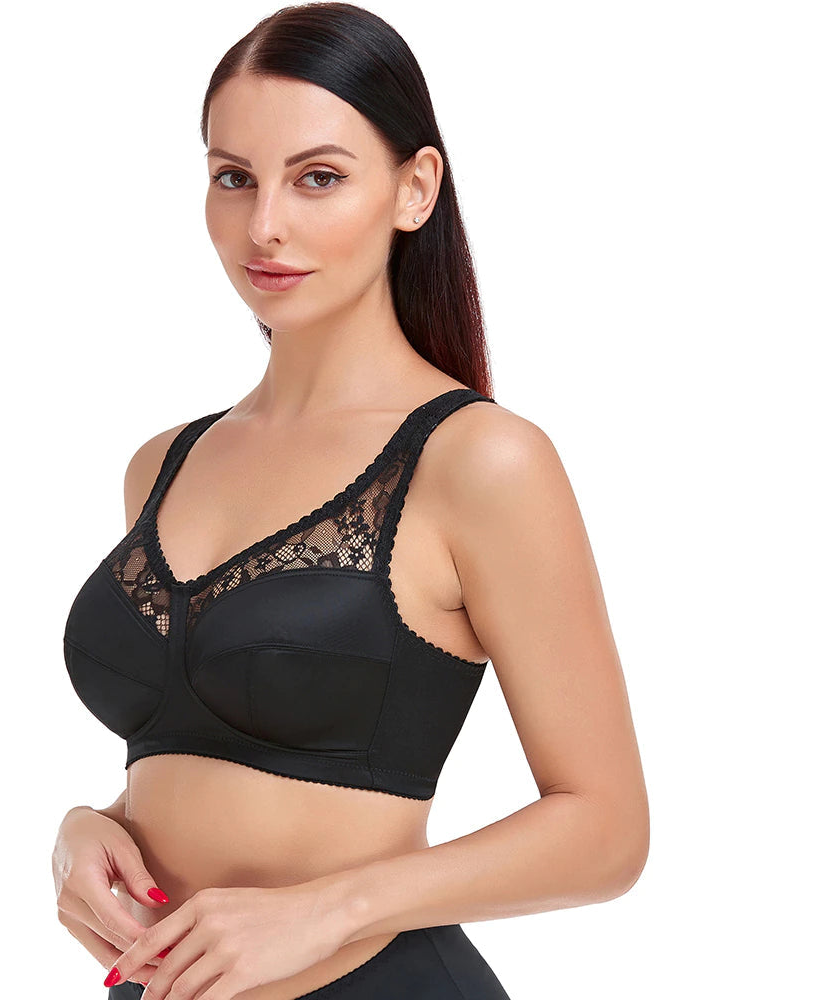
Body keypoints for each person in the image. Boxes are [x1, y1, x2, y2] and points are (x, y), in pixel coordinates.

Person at [51, 4, 649, 998]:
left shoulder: (478, 461)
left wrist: (327, 909)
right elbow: (203, 756)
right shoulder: (162, 464)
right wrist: (87, 832)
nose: (265, 225)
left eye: (317, 177)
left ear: (415, 189)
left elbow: (607, 830)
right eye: (233, 178)